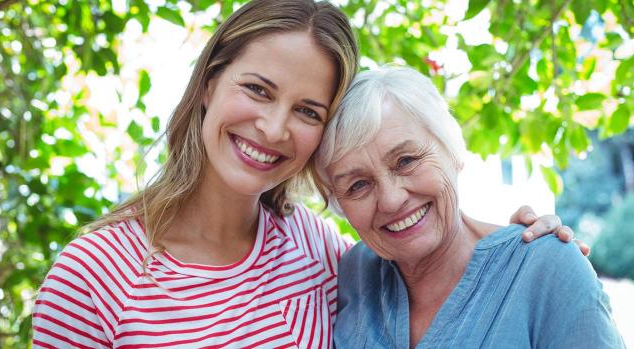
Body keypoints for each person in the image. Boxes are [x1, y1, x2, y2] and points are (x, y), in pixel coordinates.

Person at [32, 1, 581, 348]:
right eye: (257, 89)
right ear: (208, 85)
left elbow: (421, 244)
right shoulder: (91, 275)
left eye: (307, 111)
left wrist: (522, 245)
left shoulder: (322, 253)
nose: (272, 128)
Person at [316, 66, 625, 348]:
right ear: (338, 202)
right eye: (358, 185)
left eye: (406, 161)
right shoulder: (351, 273)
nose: (391, 199)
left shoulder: (547, 268)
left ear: (453, 152)